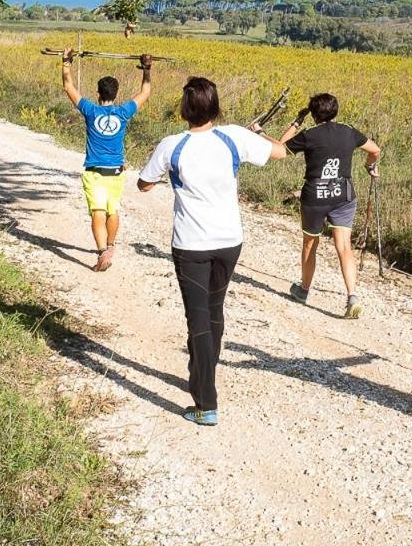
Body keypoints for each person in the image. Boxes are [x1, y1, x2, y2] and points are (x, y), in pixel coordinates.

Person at [137, 77, 287, 426]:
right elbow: (280, 152)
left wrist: (160, 179)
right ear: (216, 107)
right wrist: (257, 133)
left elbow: (144, 183)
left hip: (191, 244)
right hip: (229, 241)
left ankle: (206, 402)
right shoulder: (233, 136)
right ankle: (205, 371)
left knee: (197, 319)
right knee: (215, 308)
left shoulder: (171, 145)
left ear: (184, 108)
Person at [251, 93, 380, 319]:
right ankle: (352, 296)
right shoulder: (349, 131)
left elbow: (280, 151)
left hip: (315, 195)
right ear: (335, 110)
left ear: (313, 114)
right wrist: (370, 166)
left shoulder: (310, 135)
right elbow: (375, 150)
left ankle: (304, 290)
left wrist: (261, 133)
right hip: (343, 193)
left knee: (311, 243)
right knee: (344, 247)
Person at [61, 48, 152, 271]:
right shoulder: (123, 112)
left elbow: (68, 87)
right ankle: (110, 246)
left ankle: (102, 251)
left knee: (97, 213)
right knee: (113, 211)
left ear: (98, 93)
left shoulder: (90, 111)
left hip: (94, 172)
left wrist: (66, 62)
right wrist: (147, 69)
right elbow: (145, 93)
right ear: (116, 93)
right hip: (116, 173)